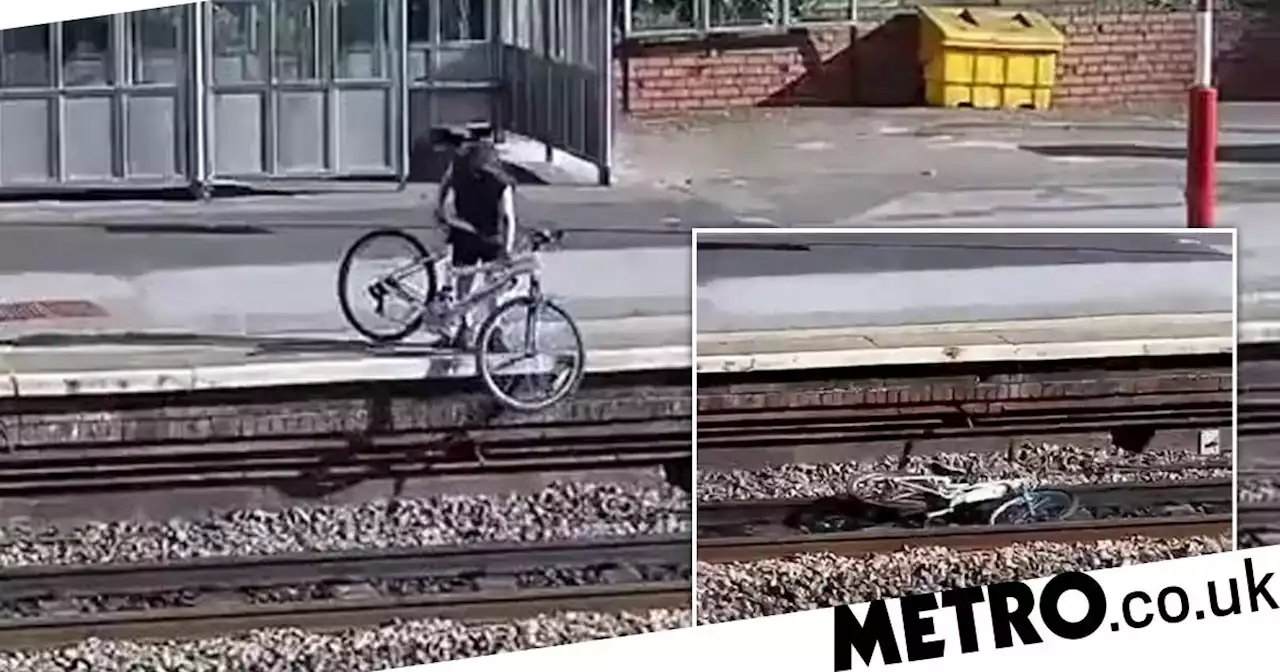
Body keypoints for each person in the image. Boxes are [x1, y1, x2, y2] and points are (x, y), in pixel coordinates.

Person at [432, 132, 518, 347]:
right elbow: (507, 217)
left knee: (464, 285)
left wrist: (441, 210)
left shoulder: (460, 170)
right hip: (491, 237)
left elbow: (445, 184)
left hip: (465, 234)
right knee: (493, 287)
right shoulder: (500, 182)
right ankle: (494, 334)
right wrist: (507, 248)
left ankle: (465, 328)